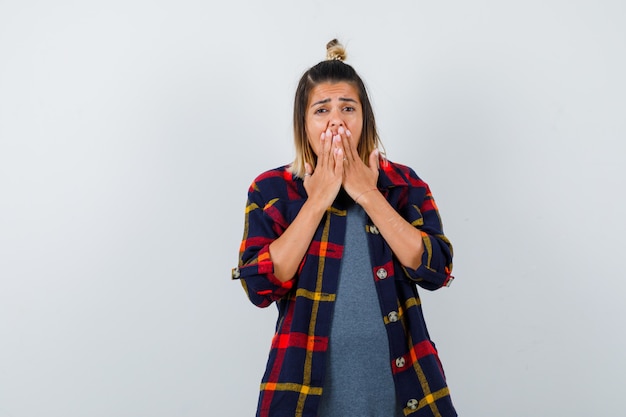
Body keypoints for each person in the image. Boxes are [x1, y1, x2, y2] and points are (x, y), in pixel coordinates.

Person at [232, 39, 457, 417]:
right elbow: (259, 286)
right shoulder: (272, 190)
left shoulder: (403, 184)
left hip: (404, 394)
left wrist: (369, 194)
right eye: (322, 110)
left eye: (347, 108)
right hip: (304, 398)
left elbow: (437, 270)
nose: (336, 121)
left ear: (363, 118)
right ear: (304, 124)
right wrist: (317, 199)